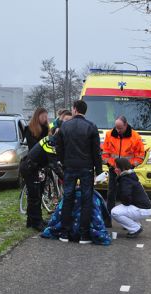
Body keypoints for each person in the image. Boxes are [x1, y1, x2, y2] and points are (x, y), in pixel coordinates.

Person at [56, 100, 103, 244]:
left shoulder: (65, 126)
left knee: (68, 198)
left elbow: (59, 147)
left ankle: (64, 232)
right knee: (86, 200)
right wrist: (99, 171)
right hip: (86, 167)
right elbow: (96, 152)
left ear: (75, 109)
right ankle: (84, 235)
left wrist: (64, 162)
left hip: (69, 167)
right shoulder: (91, 127)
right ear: (85, 111)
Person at [102, 116, 145, 227]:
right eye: (116, 128)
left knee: (127, 195)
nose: (118, 130)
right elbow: (105, 153)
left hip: (127, 171)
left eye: (120, 128)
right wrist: (113, 165)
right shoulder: (109, 134)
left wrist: (129, 166)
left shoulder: (135, 137)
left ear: (126, 125)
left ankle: (128, 220)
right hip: (114, 169)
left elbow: (140, 156)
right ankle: (108, 220)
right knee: (111, 194)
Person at [19, 135, 64, 231]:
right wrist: (64, 178)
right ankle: (36, 223)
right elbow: (54, 165)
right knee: (35, 197)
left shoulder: (52, 140)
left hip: (34, 168)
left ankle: (31, 221)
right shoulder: (50, 143)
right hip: (30, 168)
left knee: (36, 196)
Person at [111, 158, 151, 238]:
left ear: (122, 168)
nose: (115, 169)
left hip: (142, 209)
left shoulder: (125, 180)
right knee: (122, 209)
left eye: (116, 167)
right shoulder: (129, 176)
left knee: (115, 212)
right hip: (144, 208)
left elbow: (126, 199)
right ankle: (137, 225)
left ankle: (135, 228)